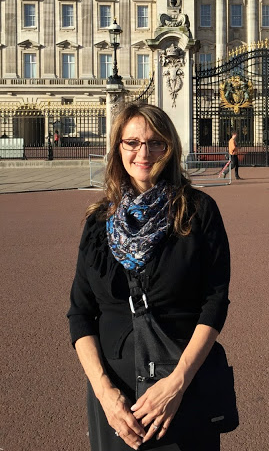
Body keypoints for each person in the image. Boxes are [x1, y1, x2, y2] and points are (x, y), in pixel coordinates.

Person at [67, 102, 232, 451]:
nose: (144, 153)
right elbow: (80, 313)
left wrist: (177, 384)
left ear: (170, 148)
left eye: (156, 142)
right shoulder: (98, 222)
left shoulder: (199, 211)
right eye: (132, 143)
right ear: (118, 149)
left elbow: (214, 302)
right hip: (117, 405)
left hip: (181, 394)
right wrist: (105, 393)